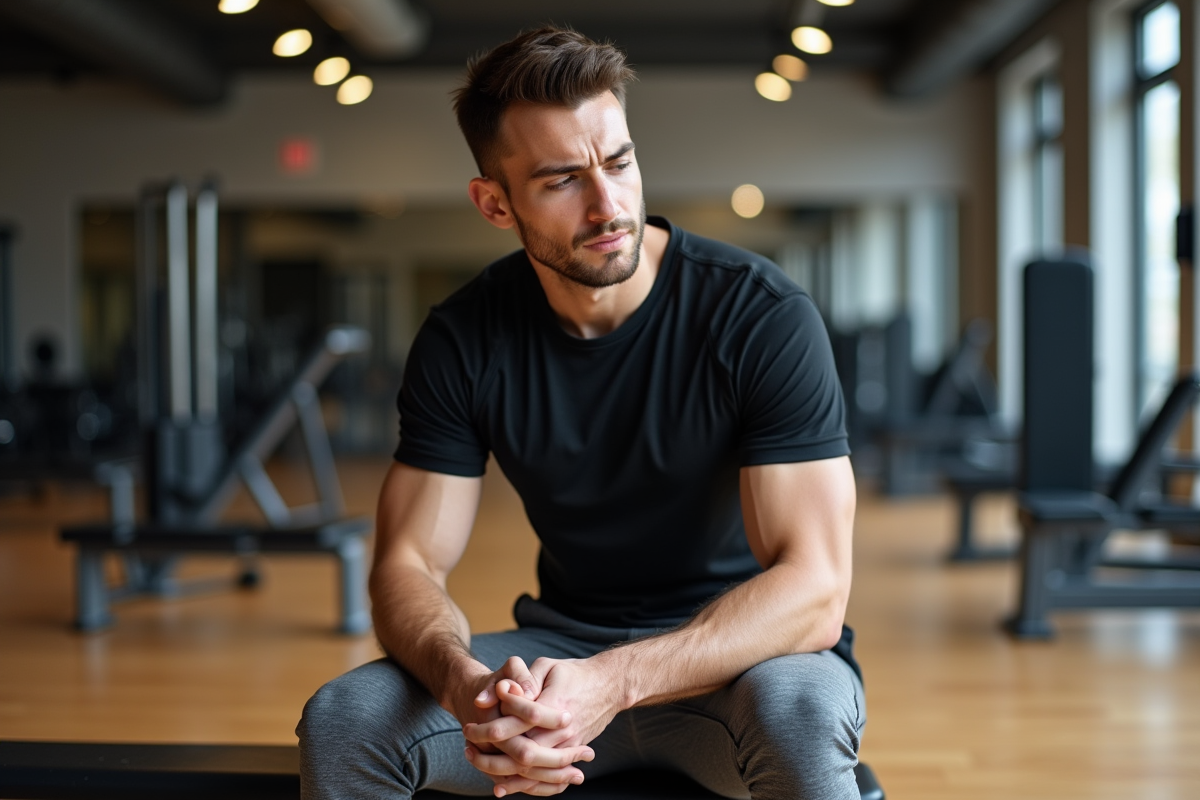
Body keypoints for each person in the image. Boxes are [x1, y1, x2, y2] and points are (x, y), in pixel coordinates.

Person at [298, 26, 864, 800]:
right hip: (556, 656)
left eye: (621, 162)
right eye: (563, 180)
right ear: (494, 203)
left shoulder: (759, 316)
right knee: (346, 719)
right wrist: (464, 684)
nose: (609, 205)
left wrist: (615, 680)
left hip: (737, 664)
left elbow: (816, 590)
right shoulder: (466, 337)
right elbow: (407, 564)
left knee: (799, 710)